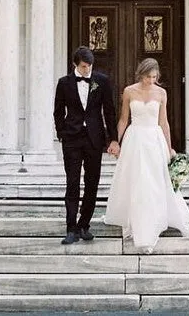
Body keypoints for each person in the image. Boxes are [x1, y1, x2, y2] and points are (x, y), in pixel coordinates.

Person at [104, 57, 189, 253]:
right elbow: (123, 120)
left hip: (154, 140)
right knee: (137, 181)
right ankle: (139, 224)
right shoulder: (129, 91)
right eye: (148, 77)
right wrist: (115, 142)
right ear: (141, 74)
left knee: (155, 181)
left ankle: (158, 219)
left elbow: (164, 122)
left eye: (154, 77)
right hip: (134, 139)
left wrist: (170, 148)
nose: (151, 81)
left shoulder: (161, 93)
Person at [54, 45, 120, 245]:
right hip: (72, 139)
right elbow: (58, 111)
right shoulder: (64, 83)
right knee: (72, 183)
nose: (87, 70)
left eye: (89, 66)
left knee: (92, 183)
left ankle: (84, 225)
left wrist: (113, 139)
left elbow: (109, 111)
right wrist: (62, 134)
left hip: (94, 138)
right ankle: (70, 228)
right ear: (75, 64)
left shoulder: (102, 81)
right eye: (83, 67)